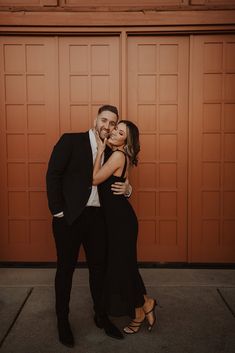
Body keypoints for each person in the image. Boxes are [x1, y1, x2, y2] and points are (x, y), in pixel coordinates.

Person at [46, 105, 131, 347]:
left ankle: (101, 316)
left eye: (112, 123)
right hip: (69, 218)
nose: (107, 126)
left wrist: (129, 189)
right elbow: (53, 175)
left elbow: (121, 177)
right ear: (95, 119)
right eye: (104, 120)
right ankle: (63, 321)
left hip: (98, 219)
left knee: (99, 269)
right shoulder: (71, 140)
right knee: (65, 270)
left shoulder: (113, 150)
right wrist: (58, 211)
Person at [93, 120, 157, 334]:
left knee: (123, 267)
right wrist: (128, 187)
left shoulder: (118, 155)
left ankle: (139, 311)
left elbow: (94, 179)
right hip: (117, 221)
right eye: (115, 129)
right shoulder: (119, 155)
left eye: (120, 132)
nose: (114, 133)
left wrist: (100, 150)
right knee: (126, 266)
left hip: (121, 222)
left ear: (125, 140)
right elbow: (123, 183)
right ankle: (146, 303)